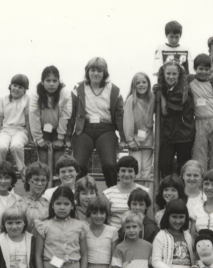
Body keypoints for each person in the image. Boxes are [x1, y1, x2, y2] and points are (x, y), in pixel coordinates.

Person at [67, 57, 124, 187]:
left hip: (106, 130)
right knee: (79, 165)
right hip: (84, 129)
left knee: (110, 165)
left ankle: (112, 194)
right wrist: (67, 138)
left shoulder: (114, 90)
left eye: (100, 70)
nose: (96, 74)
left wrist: (124, 138)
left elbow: (120, 116)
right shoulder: (79, 89)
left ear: (105, 72)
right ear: (87, 72)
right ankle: (80, 196)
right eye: (93, 70)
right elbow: (71, 115)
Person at [34, 186, 89, 268]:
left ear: (72, 206)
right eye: (58, 203)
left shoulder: (80, 226)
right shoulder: (44, 226)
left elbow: (84, 254)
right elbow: (38, 255)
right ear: (52, 205)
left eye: (66, 204)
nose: (62, 207)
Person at [158, 61, 195, 178]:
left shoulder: (182, 90)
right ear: (163, 74)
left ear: (179, 75)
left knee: (183, 167)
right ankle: (168, 192)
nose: (171, 77)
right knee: (164, 165)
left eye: (174, 74)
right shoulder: (168, 89)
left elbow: (165, 111)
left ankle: (183, 194)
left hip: (183, 135)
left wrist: (161, 94)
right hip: (169, 135)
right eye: (168, 73)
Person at [29, 66, 72, 166]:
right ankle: (44, 181)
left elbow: (65, 116)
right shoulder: (36, 94)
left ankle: (57, 181)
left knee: (58, 160)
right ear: (42, 82)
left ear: (59, 81)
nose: (51, 84)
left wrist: (60, 138)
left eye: (54, 80)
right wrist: (39, 139)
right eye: (48, 80)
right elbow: (33, 116)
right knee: (43, 160)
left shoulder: (65, 93)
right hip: (43, 130)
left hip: (59, 129)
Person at [0, 74, 30, 175]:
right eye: (15, 85)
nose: (16, 89)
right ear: (10, 86)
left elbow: (28, 120)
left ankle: (22, 170)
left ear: (25, 90)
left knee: (16, 146)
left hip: (20, 130)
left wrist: (30, 137)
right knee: (0, 147)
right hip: (5, 130)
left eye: (20, 87)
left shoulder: (27, 99)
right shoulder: (3, 99)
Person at [123, 72, 155, 180]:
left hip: (148, 135)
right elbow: (128, 121)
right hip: (135, 137)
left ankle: (145, 194)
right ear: (134, 86)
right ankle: (135, 193)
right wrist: (130, 140)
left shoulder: (152, 98)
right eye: (138, 83)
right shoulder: (131, 100)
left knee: (147, 167)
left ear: (148, 84)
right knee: (136, 166)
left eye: (144, 82)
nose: (141, 85)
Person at [103, 156, 149, 229]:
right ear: (118, 173)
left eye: (130, 171)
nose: (126, 174)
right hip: (115, 235)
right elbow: (105, 219)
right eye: (123, 171)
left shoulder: (146, 191)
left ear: (135, 173)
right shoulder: (108, 194)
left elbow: (149, 219)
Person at [84, 196, 117, 268]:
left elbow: (114, 257)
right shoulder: (83, 230)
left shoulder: (112, 231)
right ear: (89, 213)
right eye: (94, 213)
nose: (99, 216)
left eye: (102, 213)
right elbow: (81, 257)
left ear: (106, 214)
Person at [18, 162, 50, 234]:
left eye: (43, 180)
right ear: (29, 180)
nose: (39, 184)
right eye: (36, 180)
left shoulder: (48, 204)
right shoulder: (19, 204)